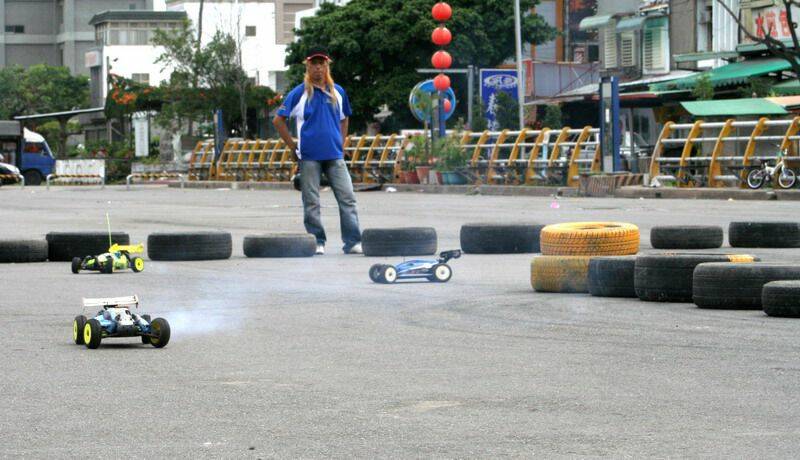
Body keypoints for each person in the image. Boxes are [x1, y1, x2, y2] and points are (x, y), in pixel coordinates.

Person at [273, 47, 362, 255]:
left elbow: (345, 118)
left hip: (335, 155)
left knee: (347, 197)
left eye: (322, 63)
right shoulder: (299, 93)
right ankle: (317, 241)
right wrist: (293, 146)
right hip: (310, 157)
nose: (318, 67)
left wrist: (342, 142)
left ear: (327, 66)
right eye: (314, 63)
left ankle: (353, 241)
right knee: (311, 201)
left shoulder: (338, 92)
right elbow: (278, 120)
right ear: (308, 66)